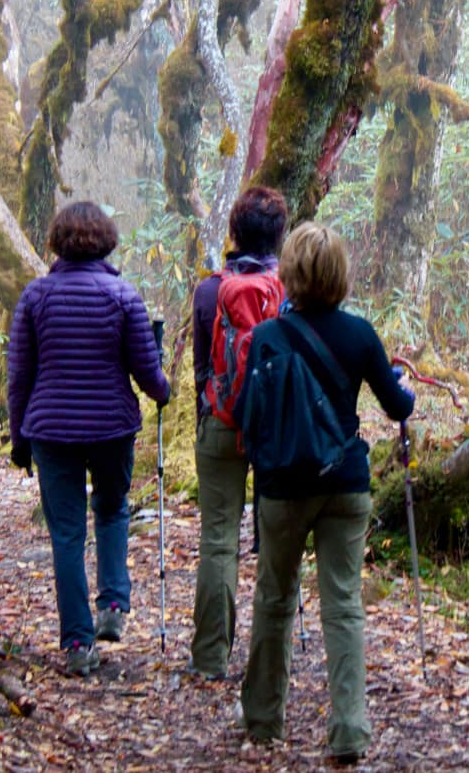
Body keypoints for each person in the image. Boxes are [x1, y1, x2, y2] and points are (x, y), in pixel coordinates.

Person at [239, 221, 415, 764]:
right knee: (342, 605)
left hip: (284, 487)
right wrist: (399, 382)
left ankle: (265, 721)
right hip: (345, 483)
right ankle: (349, 730)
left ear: (289, 274)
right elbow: (397, 407)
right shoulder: (361, 334)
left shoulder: (268, 337)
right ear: (341, 274)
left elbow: (250, 417)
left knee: (273, 598)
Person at [7, 201, 170, 677]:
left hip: (51, 430)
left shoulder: (36, 298)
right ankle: (114, 607)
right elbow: (146, 369)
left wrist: (19, 437)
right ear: (106, 240)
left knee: (66, 533)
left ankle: (78, 641)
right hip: (111, 426)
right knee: (113, 507)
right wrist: (165, 390)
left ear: (57, 241)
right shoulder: (122, 295)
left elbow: (19, 376)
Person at [189, 185, 289, 678]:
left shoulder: (211, 290)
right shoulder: (292, 290)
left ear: (234, 231)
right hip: (277, 432)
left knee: (218, 540)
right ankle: (270, 664)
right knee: (276, 546)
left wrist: (206, 415)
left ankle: (210, 659)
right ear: (279, 236)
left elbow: (200, 369)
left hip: (221, 424)